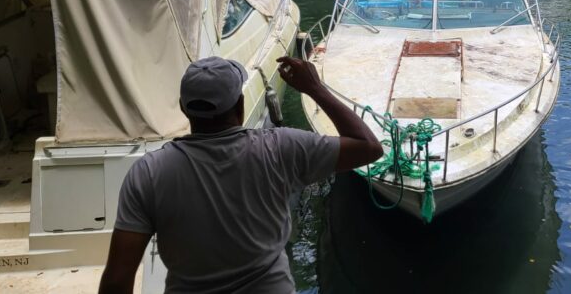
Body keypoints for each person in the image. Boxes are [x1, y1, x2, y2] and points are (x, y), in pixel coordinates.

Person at [98, 56, 381, 294]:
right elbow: (369, 147)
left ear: (185, 109)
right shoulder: (281, 148)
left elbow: (116, 281)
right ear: (241, 105)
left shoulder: (147, 173)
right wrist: (315, 88)